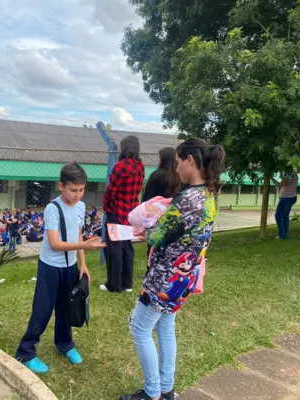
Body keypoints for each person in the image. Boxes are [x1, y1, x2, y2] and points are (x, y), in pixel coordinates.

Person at [120, 139, 224, 400]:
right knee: (165, 325)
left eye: (178, 163)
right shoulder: (209, 195)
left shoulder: (189, 198)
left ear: (190, 160)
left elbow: (156, 236)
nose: (176, 169)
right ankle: (166, 389)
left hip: (164, 279)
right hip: (184, 277)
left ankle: (152, 392)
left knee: (140, 328)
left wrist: (148, 221)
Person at [15, 163, 105, 374]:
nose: (77, 195)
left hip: (71, 267)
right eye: (73, 190)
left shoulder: (81, 207)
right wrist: (85, 246)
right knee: (42, 310)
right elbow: (55, 244)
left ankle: (65, 344)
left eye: (81, 190)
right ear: (61, 186)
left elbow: (78, 234)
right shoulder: (52, 209)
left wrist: (83, 263)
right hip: (50, 268)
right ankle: (26, 352)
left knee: (67, 308)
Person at [101, 135, 145, 293]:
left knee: (114, 248)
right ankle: (127, 284)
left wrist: (106, 206)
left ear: (124, 147)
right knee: (127, 247)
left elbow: (111, 190)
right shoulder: (140, 166)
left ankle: (114, 284)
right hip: (131, 213)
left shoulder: (120, 166)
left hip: (116, 212)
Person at [141, 146, 183, 272]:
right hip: (173, 214)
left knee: (153, 245)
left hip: (155, 215)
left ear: (163, 159)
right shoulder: (179, 176)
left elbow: (147, 197)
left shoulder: (157, 175)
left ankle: (151, 271)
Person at [272, 169, 299, 239]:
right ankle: (285, 234)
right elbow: (286, 182)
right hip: (291, 198)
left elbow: (279, 184)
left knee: (278, 216)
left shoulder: (288, 176)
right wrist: (281, 176)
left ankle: (282, 235)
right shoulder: (294, 175)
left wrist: (271, 178)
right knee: (285, 216)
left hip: (286, 199)